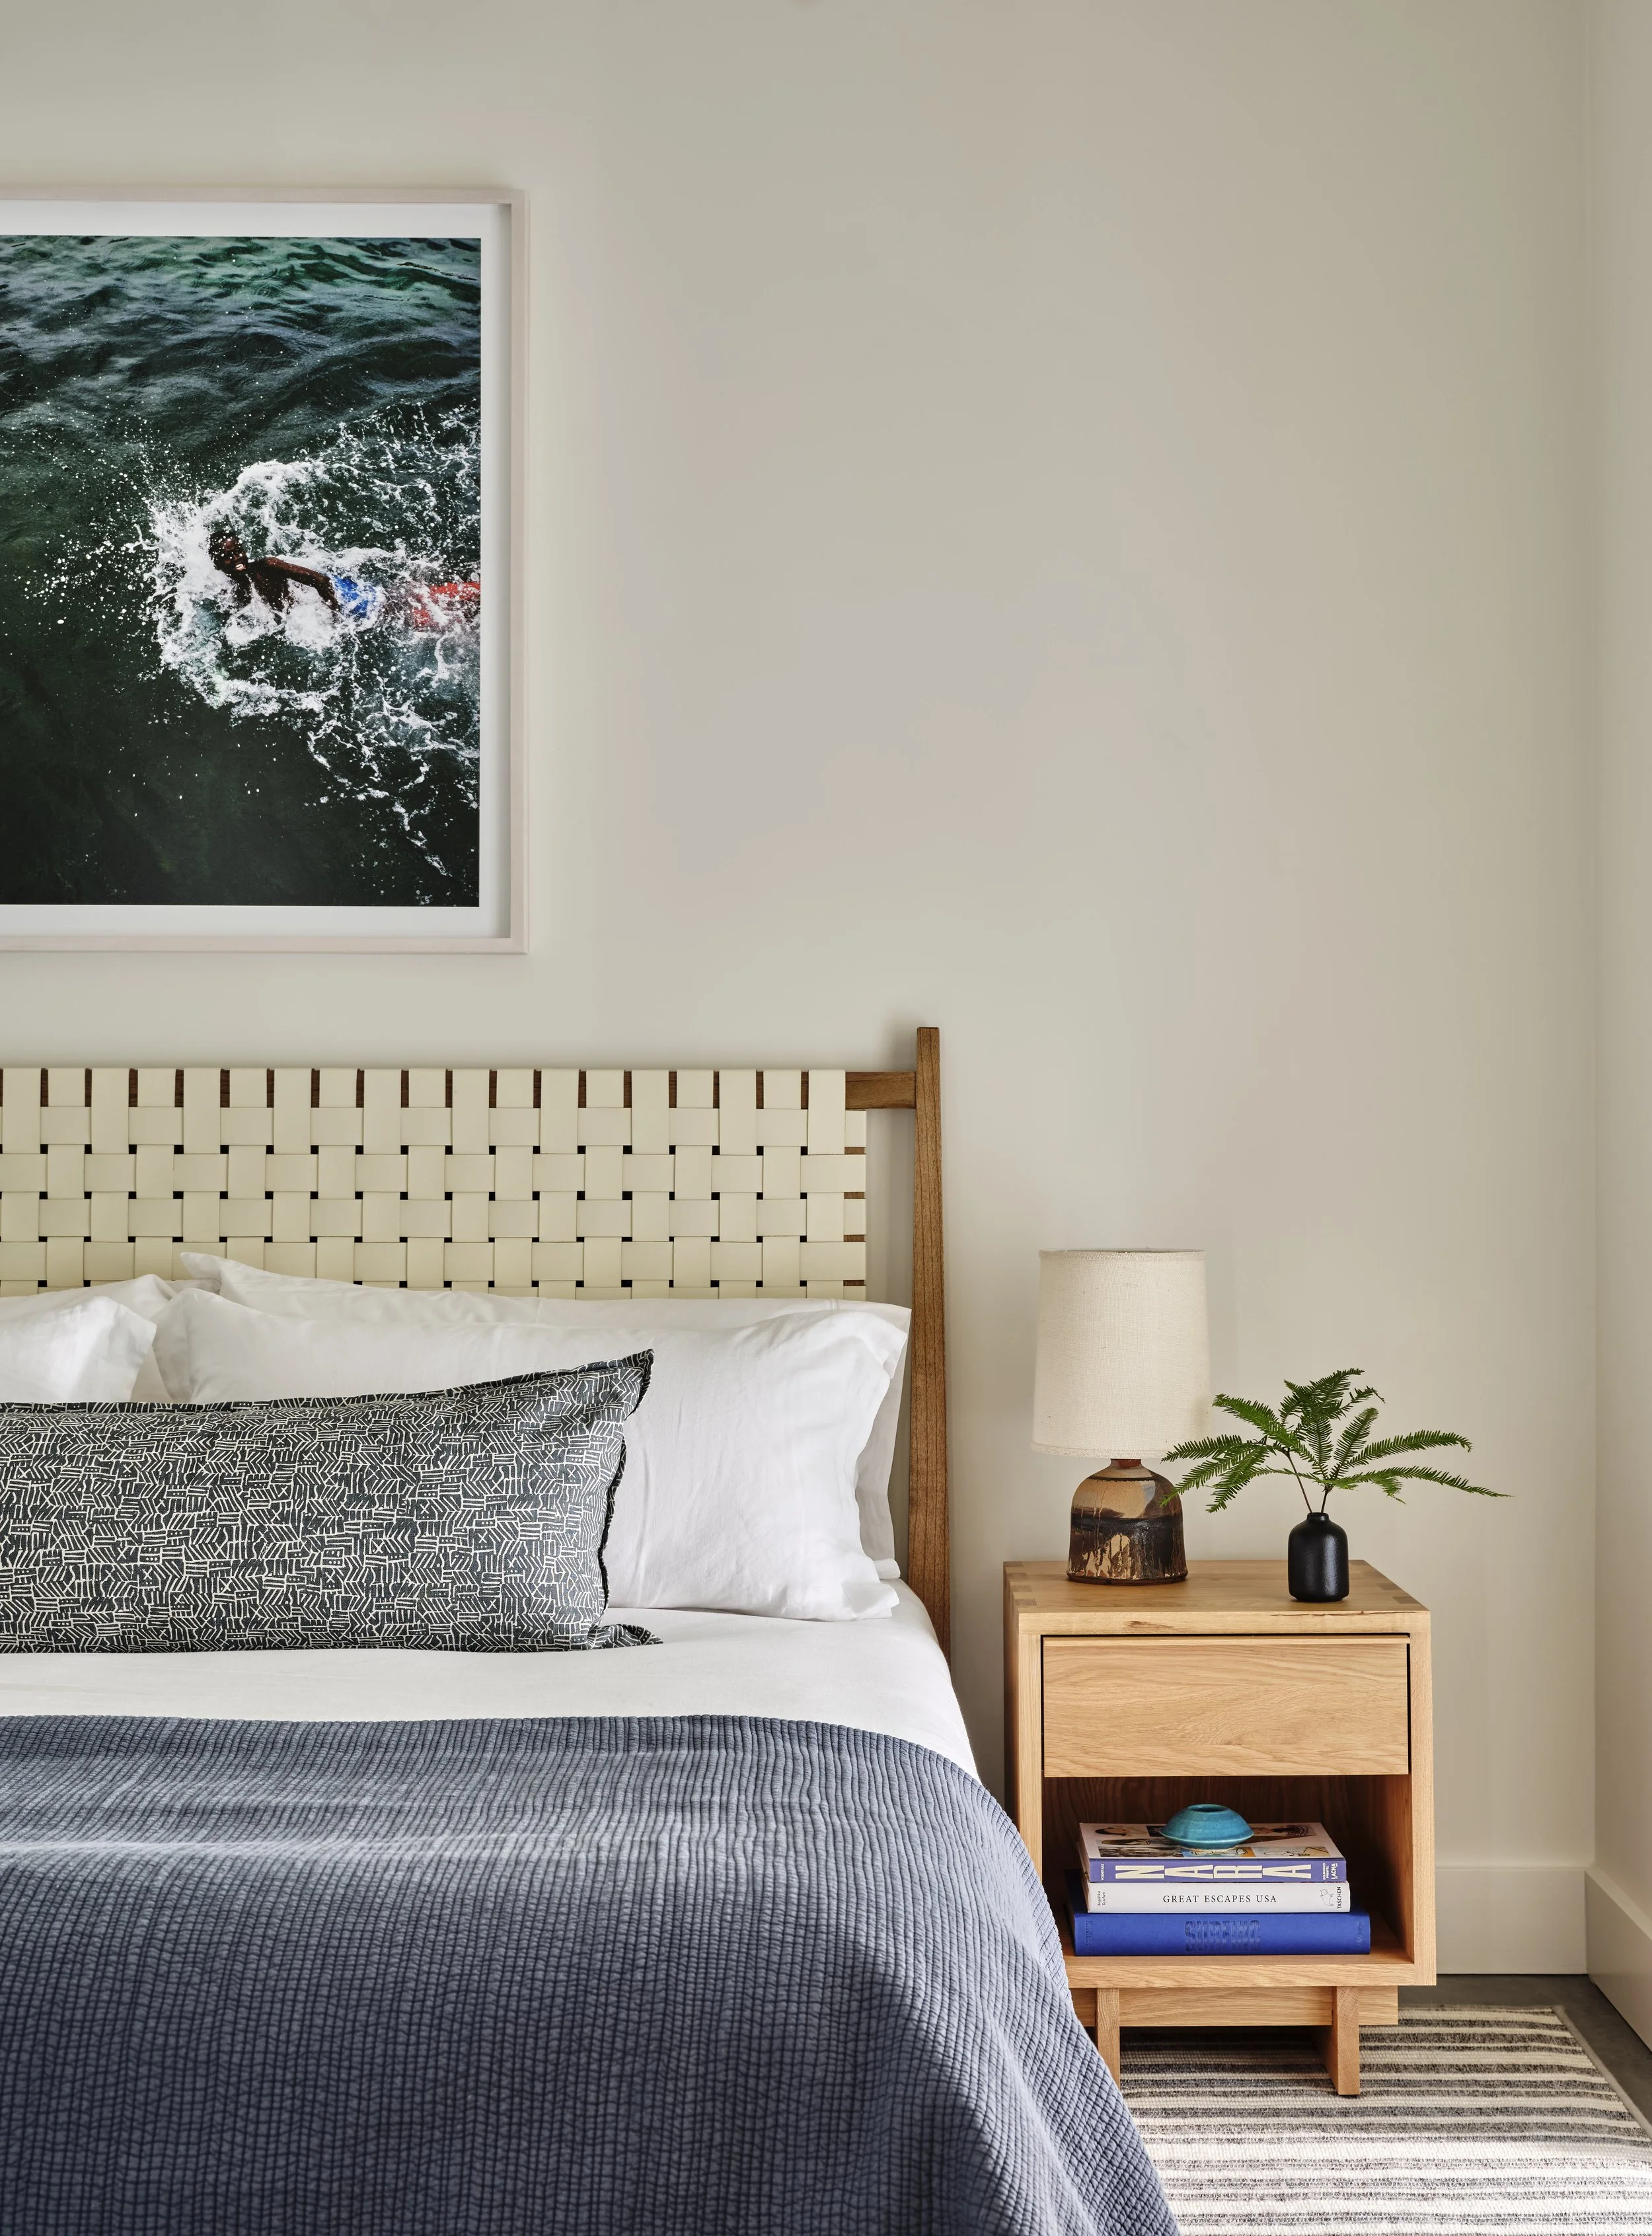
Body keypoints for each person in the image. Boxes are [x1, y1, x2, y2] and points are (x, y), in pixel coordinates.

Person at [208, 531, 340, 615]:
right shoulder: (229, 592)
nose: (236, 558)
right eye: (227, 556)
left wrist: (336, 615)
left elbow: (321, 580)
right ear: (217, 564)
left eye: (238, 551)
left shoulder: (267, 567)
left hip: (323, 602)